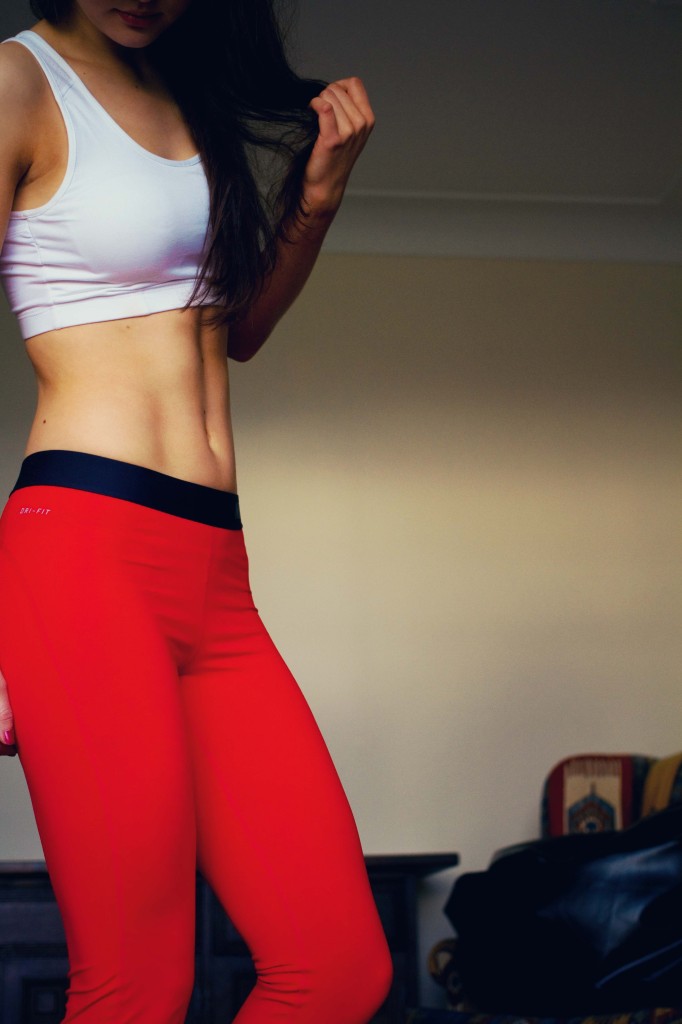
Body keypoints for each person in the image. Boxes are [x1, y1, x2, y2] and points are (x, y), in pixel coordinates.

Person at [0, 1, 393, 1021]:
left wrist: (316, 199)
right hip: (82, 555)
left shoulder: (185, 93)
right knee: (136, 984)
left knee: (337, 968)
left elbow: (236, 330)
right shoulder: (18, 85)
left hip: (219, 578)